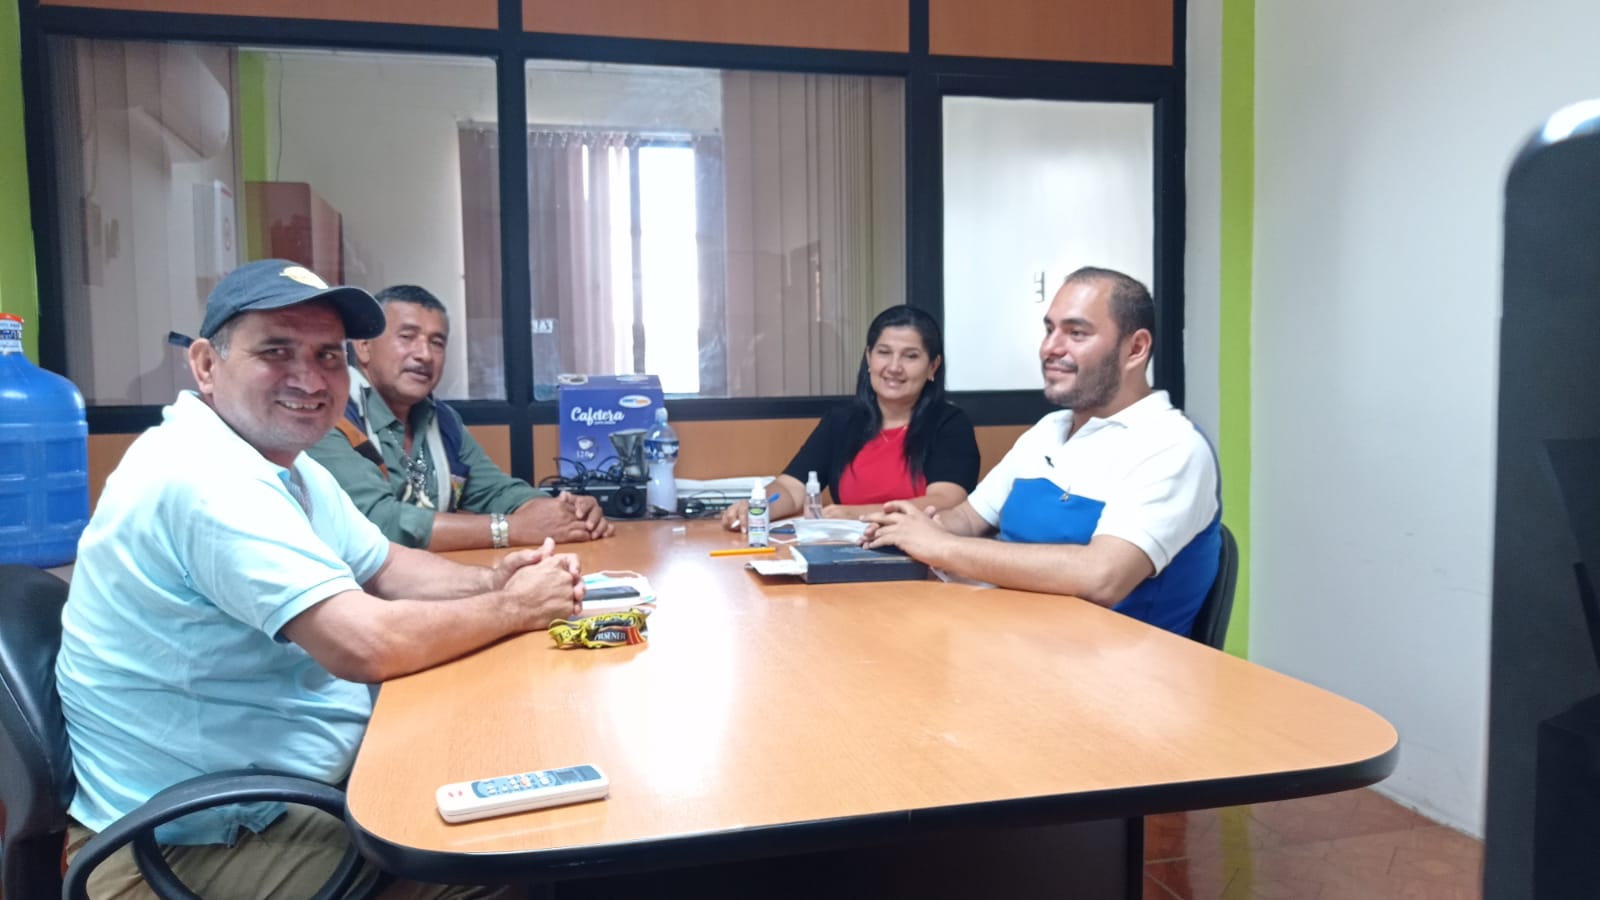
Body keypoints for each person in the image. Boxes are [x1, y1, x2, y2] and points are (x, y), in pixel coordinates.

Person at [56, 260, 584, 898]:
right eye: (275, 351)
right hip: (190, 841)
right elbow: (364, 645)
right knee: (504, 862)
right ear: (206, 364)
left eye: (327, 355)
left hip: (287, 790)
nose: (308, 378)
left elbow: (385, 565)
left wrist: (495, 581)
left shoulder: (289, 464)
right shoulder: (203, 479)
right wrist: (516, 609)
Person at [863, 267, 1221, 635]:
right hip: (1009, 639)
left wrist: (943, 548)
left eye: (1076, 333)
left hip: (1109, 666)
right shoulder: (1049, 430)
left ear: (1135, 348)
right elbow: (969, 519)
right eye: (1050, 330)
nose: (1050, 348)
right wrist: (911, 527)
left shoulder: (1172, 446)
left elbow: (1102, 576)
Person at [308, 284, 613, 551]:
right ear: (364, 346)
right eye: (407, 337)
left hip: (433, 579)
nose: (425, 354)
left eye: (437, 342)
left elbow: (495, 490)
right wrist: (510, 529)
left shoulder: (442, 420)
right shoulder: (327, 415)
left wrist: (565, 512)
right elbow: (378, 523)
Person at [722, 305, 980, 530]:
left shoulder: (950, 424)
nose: (894, 367)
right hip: (848, 551)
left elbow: (947, 500)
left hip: (921, 556)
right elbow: (792, 488)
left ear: (933, 366)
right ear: (869, 357)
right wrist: (758, 507)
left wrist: (858, 514)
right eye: (884, 352)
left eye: (910, 356)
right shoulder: (841, 421)